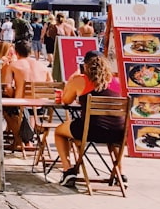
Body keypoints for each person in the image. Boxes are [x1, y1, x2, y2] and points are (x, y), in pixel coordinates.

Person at [52, 51, 125, 188]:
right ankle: (121, 174)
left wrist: (73, 77)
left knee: (59, 131)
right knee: (113, 137)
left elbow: (66, 100)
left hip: (91, 130)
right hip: (118, 132)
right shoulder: (116, 82)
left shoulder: (81, 80)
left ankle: (68, 170)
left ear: (85, 66)